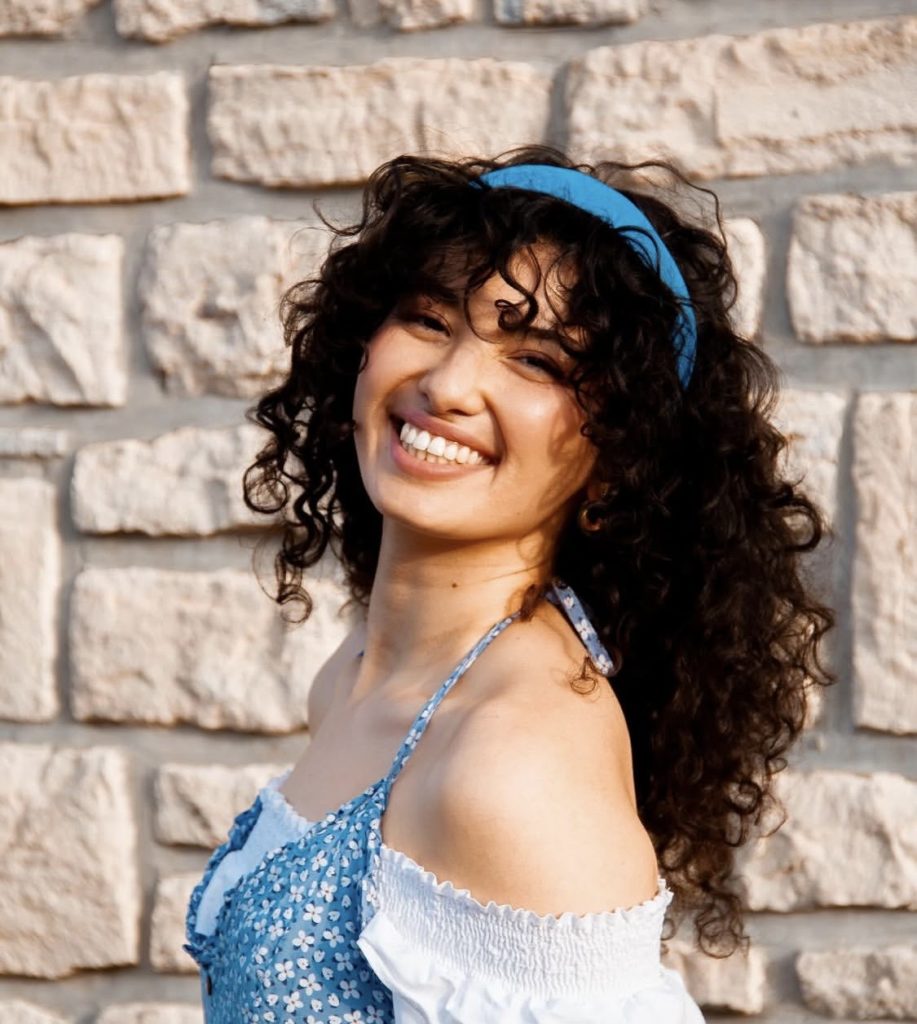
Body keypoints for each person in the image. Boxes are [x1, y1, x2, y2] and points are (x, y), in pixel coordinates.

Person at [183, 145, 835, 1022]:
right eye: (427, 318)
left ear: (619, 458)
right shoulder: (354, 675)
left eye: (536, 361)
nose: (448, 384)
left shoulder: (514, 761)